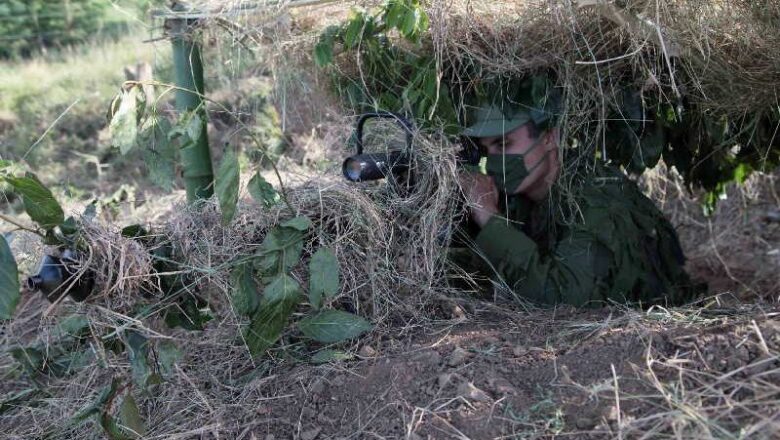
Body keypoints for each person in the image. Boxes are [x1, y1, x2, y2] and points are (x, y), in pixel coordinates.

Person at [458, 104, 699, 307]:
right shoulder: (524, 196)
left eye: (503, 144)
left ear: (550, 137)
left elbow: (565, 299)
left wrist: (488, 215)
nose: (491, 164)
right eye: (485, 150)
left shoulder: (594, 200)